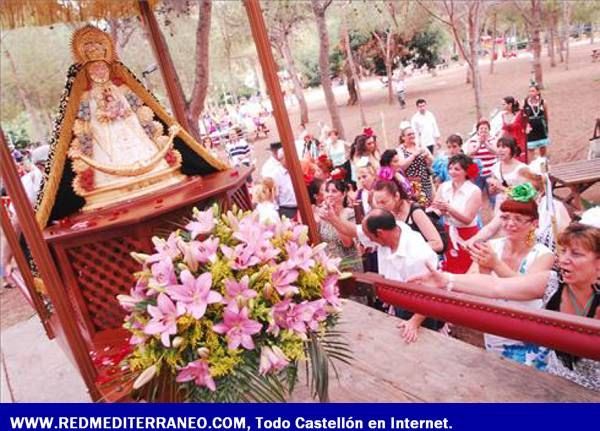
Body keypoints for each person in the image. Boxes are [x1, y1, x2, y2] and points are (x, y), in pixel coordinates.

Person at [35, 25, 227, 227]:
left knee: (138, 133)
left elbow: (138, 111)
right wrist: (104, 113)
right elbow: (85, 123)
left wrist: (119, 111)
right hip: (103, 138)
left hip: (129, 125)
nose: (100, 71)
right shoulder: (84, 97)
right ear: (88, 71)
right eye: (95, 68)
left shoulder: (122, 89)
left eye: (102, 67)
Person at [410, 219, 600, 392]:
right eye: (564, 251)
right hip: (552, 384)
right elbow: (496, 287)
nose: (564, 259)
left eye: (576, 254)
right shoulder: (551, 283)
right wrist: (446, 279)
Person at [321, 208, 438, 343]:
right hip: (399, 301)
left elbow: (431, 293)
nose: (368, 240)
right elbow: (353, 230)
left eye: (370, 237)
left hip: (420, 309)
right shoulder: (390, 231)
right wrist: (333, 219)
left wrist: (414, 322)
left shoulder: (418, 254)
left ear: (380, 234)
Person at [469, 186, 555, 368]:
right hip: (495, 328)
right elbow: (471, 285)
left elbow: (527, 289)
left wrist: (495, 265)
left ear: (534, 223)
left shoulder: (544, 255)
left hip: (531, 332)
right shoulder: (491, 247)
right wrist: (484, 270)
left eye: (518, 219)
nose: (510, 224)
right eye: (505, 217)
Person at [431, 154, 482, 274]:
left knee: (467, 265)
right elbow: (436, 208)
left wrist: (449, 209)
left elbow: (468, 219)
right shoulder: (444, 186)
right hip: (448, 230)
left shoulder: (474, 191)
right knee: (450, 263)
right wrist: (437, 210)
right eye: (450, 168)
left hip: (467, 234)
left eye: (457, 169)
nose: (452, 172)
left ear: (466, 171)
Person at [317, 179, 362, 272]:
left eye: (334, 191)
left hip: (348, 264)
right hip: (329, 266)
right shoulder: (323, 214)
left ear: (344, 193)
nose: (329, 194)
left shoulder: (350, 213)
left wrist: (335, 217)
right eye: (327, 191)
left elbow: (348, 243)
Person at [487, 136, 530, 212]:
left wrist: (501, 188)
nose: (500, 150)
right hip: (500, 206)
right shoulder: (495, 167)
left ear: (512, 150)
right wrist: (492, 189)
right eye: (498, 146)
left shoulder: (522, 169)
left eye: (504, 147)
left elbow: (524, 194)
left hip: (517, 207)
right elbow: (491, 192)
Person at [463, 119, 497, 208]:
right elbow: (469, 154)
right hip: (477, 174)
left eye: (486, 128)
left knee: (493, 197)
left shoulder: (493, 139)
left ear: (489, 130)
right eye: (481, 128)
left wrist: (486, 143)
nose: (483, 131)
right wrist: (478, 144)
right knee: (475, 196)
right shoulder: (472, 141)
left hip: (491, 173)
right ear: (477, 130)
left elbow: (496, 152)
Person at [397, 126, 434, 205]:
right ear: (403, 137)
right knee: (418, 206)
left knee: (428, 206)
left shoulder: (420, 146)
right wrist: (413, 155)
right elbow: (402, 166)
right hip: (412, 184)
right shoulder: (400, 150)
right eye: (409, 134)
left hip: (426, 182)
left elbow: (431, 163)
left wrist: (427, 156)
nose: (412, 136)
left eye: (413, 134)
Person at [523, 84, 550, 161]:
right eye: (530, 91)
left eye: (533, 91)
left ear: (538, 92)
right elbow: (523, 116)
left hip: (541, 128)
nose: (531, 93)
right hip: (530, 130)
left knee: (543, 151)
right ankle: (533, 169)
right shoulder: (525, 102)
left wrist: (546, 127)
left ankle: (544, 168)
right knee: (531, 150)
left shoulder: (543, 102)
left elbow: (546, 116)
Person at [499, 96, 528, 163]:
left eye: (504, 104)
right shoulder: (503, 115)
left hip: (519, 141)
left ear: (510, 104)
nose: (502, 106)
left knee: (520, 160)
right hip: (509, 141)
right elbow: (503, 129)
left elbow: (526, 125)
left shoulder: (520, 114)